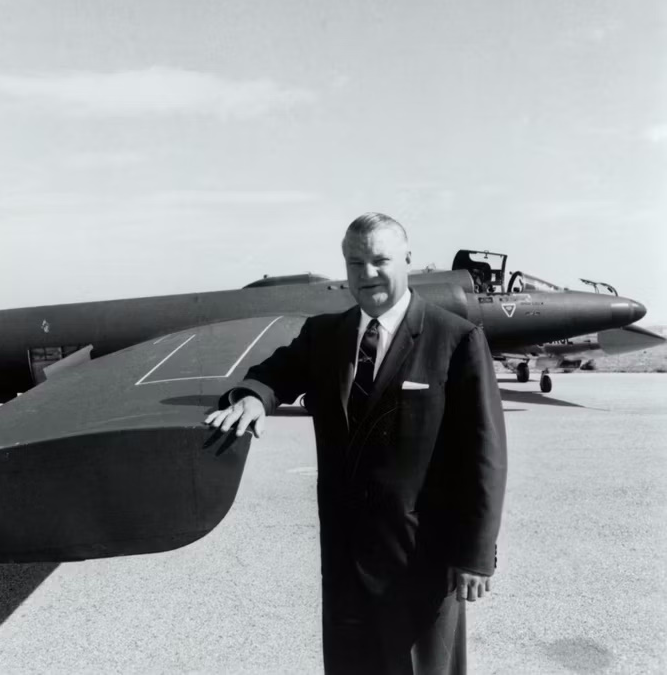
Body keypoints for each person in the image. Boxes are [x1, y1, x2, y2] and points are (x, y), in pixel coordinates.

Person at [204, 213, 507, 674]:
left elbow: (484, 457)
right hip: (345, 561)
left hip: (421, 560)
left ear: (407, 260)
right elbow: (276, 373)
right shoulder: (324, 335)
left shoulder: (455, 339)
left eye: (380, 260)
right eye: (354, 262)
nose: (366, 274)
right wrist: (253, 398)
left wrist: (476, 557)